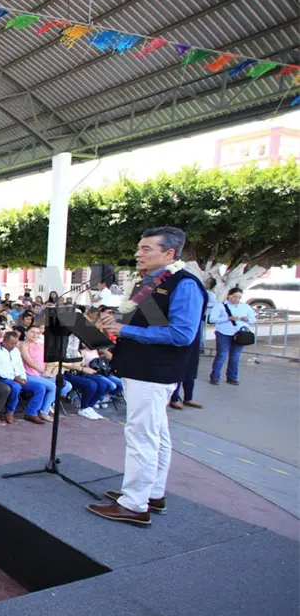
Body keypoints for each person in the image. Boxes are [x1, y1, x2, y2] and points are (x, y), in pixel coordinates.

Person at [92, 226, 206, 527]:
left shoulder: (184, 284)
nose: (137, 254)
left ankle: (133, 504)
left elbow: (181, 334)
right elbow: (150, 323)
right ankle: (151, 492)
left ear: (169, 253)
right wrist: (116, 321)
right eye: (138, 248)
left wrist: (125, 329)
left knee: (141, 435)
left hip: (154, 371)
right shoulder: (152, 282)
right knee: (156, 433)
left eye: (146, 249)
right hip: (141, 367)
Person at [0, 331, 53, 425]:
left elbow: (20, 365)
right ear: (5, 341)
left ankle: (31, 413)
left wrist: (23, 377)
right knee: (16, 387)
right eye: (12, 343)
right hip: (3, 378)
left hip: (19, 377)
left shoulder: (15, 350)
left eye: (16, 343)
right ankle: (10, 411)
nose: (14, 345)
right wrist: (14, 378)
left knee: (40, 387)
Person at [208, 287, 255, 386]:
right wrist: (227, 318)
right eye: (234, 297)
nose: (236, 299)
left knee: (235, 357)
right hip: (224, 333)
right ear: (229, 296)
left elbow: (253, 319)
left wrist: (247, 319)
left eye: (239, 297)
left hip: (239, 334)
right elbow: (212, 319)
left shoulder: (245, 307)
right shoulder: (220, 306)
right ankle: (215, 377)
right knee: (222, 355)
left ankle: (232, 377)